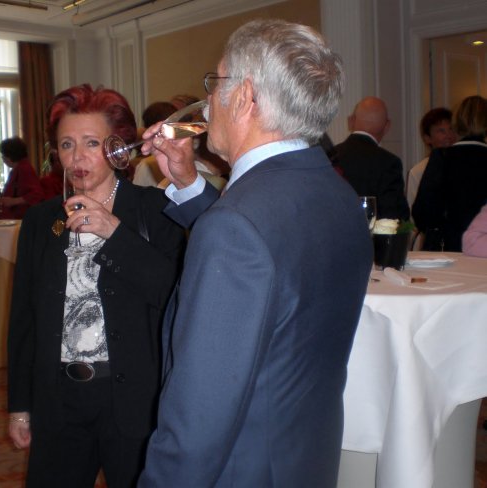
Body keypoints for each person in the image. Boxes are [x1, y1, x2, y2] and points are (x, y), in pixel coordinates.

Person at [137, 19, 373, 487]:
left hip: (242, 469)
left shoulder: (237, 227)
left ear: (244, 96)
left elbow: (199, 418)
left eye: (216, 83)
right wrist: (189, 183)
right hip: (304, 456)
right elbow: (268, 249)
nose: (209, 100)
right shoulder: (337, 194)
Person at [7, 84, 186, 487]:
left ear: (118, 148)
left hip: (133, 400)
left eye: (91, 143)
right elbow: (24, 320)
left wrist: (114, 233)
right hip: (59, 401)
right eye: (66, 144)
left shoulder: (155, 210)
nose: (77, 158)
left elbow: (174, 295)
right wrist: (20, 406)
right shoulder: (40, 221)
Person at [413, 95, 487, 251]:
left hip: (445, 246)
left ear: (457, 122)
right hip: (482, 248)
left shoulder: (442, 157)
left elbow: (422, 212)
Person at [334, 96, 411, 221]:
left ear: (351, 121)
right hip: (372, 233)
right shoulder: (389, 163)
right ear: (387, 126)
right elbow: (395, 217)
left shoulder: (330, 156)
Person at [407, 107, 456, 207]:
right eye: (441, 131)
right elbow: (413, 211)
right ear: (427, 138)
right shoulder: (418, 171)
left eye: (451, 129)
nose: (449, 136)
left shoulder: (465, 164)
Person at [0, 136, 44, 219]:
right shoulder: (18, 169)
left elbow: (37, 194)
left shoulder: (24, 169)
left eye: (3, 154)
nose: (2, 158)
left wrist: (14, 201)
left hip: (22, 218)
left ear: (10, 155)